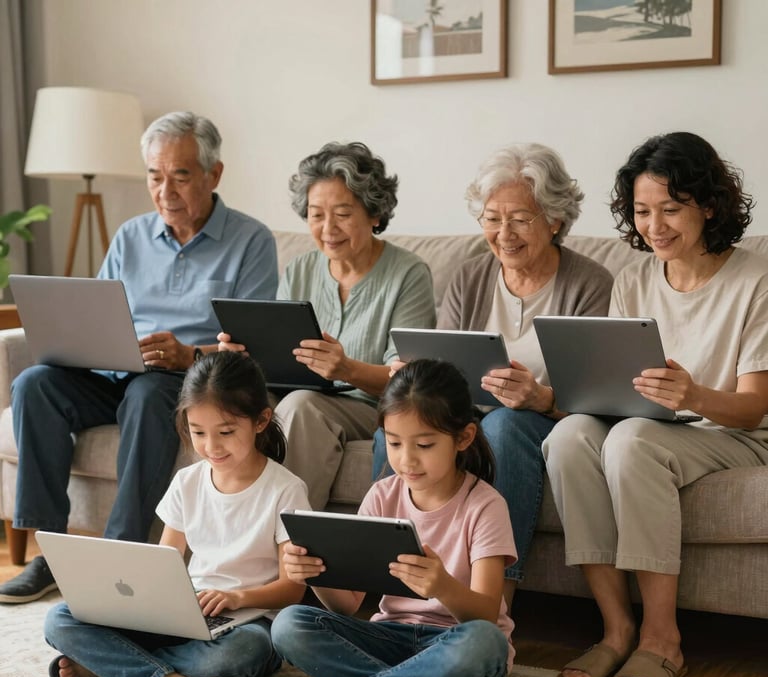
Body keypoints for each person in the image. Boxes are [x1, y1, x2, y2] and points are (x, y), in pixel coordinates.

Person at [0, 111, 278, 604]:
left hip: (186, 382)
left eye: (181, 175)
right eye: (154, 175)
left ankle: (119, 550)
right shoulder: (130, 236)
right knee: (35, 383)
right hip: (115, 370)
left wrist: (189, 354)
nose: (164, 190)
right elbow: (97, 311)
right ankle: (50, 553)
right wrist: (87, 344)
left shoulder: (251, 241)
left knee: (150, 392)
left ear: (214, 175)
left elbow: (254, 349)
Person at [543, 131, 768, 677]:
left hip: (733, 432)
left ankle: (662, 637)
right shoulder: (636, 278)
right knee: (569, 436)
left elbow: (752, 407)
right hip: (656, 424)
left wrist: (691, 396)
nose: (655, 225)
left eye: (671, 208)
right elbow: (616, 393)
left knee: (633, 441)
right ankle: (617, 629)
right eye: (643, 211)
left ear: (709, 206)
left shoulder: (756, 280)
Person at [372, 143, 613, 607]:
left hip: (549, 421)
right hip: (467, 415)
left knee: (503, 424)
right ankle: (396, 591)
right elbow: (441, 373)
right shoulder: (469, 277)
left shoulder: (591, 284)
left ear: (556, 220)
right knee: (394, 432)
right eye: (492, 218)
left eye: (521, 218)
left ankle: (495, 601)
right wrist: (415, 374)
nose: (505, 233)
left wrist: (542, 397)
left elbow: (598, 394)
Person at [43, 351, 309, 677]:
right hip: (183, 613)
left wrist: (236, 597)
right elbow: (163, 563)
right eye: (198, 432)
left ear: (261, 420)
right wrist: (148, 601)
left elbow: (292, 590)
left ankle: (110, 665)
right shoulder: (188, 481)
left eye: (226, 432)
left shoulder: (286, 490)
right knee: (60, 618)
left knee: (245, 655)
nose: (211, 447)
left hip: (247, 623)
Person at [269, 359, 517, 677]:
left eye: (424, 445)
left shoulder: (485, 505)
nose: (406, 459)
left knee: (486, 644)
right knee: (289, 624)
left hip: (454, 645)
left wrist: (443, 586)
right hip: (390, 638)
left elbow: (485, 615)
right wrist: (313, 575)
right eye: (395, 443)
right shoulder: (382, 496)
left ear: (464, 438)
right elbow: (346, 607)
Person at [219, 141, 436, 510]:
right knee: (224, 399)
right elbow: (276, 357)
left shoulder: (409, 273)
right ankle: (226, 534)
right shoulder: (301, 268)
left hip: (370, 405)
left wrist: (346, 369)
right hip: (296, 396)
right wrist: (240, 358)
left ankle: (291, 542)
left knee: (302, 406)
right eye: (316, 215)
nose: (328, 228)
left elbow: (408, 379)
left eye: (342, 213)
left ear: (374, 214)